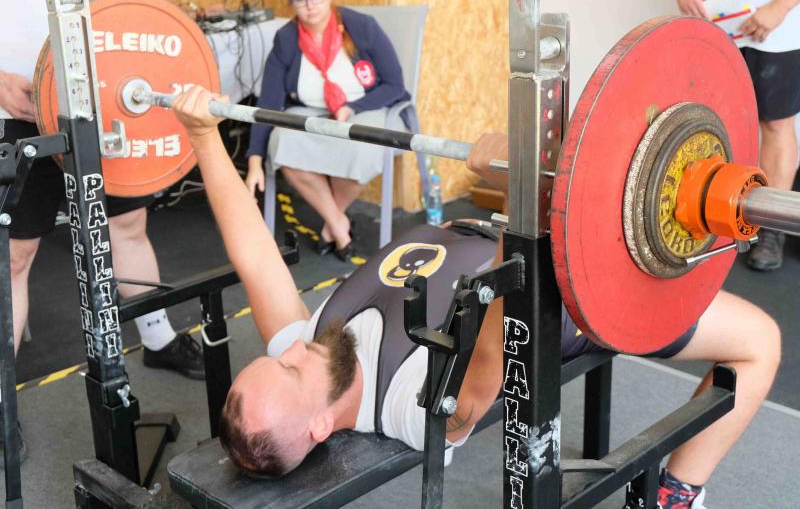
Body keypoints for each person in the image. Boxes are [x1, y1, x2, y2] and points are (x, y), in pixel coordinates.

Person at [173, 88, 780, 509]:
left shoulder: (314, 349)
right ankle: (674, 494)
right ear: (321, 425)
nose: (290, 348)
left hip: (502, 231)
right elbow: (505, 304)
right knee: (760, 343)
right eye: (288, 369)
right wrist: (515, 187)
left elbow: (253, 254)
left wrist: (203, 135)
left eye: (275, 354)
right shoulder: (420, 406)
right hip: (566, 289)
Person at [1, 0, 204, 383]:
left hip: (101, 100)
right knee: (14, 255)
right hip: (17, 107)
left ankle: (158, 338)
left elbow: (142, 6)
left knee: (127, 225)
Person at [245, 0, 414, 261]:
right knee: (283, 141)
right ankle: (337, 224)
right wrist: (254, 161)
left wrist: (353, 107)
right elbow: (269, 104)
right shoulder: (286, 38)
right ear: (291, 2)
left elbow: (394, 85)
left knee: (362, 146)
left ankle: (330, 227)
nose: (310, 5)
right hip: (311, 111)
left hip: (366, 107)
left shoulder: (362, 27)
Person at [668, 0, 800, 271]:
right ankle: (707, 211)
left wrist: (781, 7)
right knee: (703, 117)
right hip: (711, 18)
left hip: (778, 29)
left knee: (776, 124)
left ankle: (771, 228)